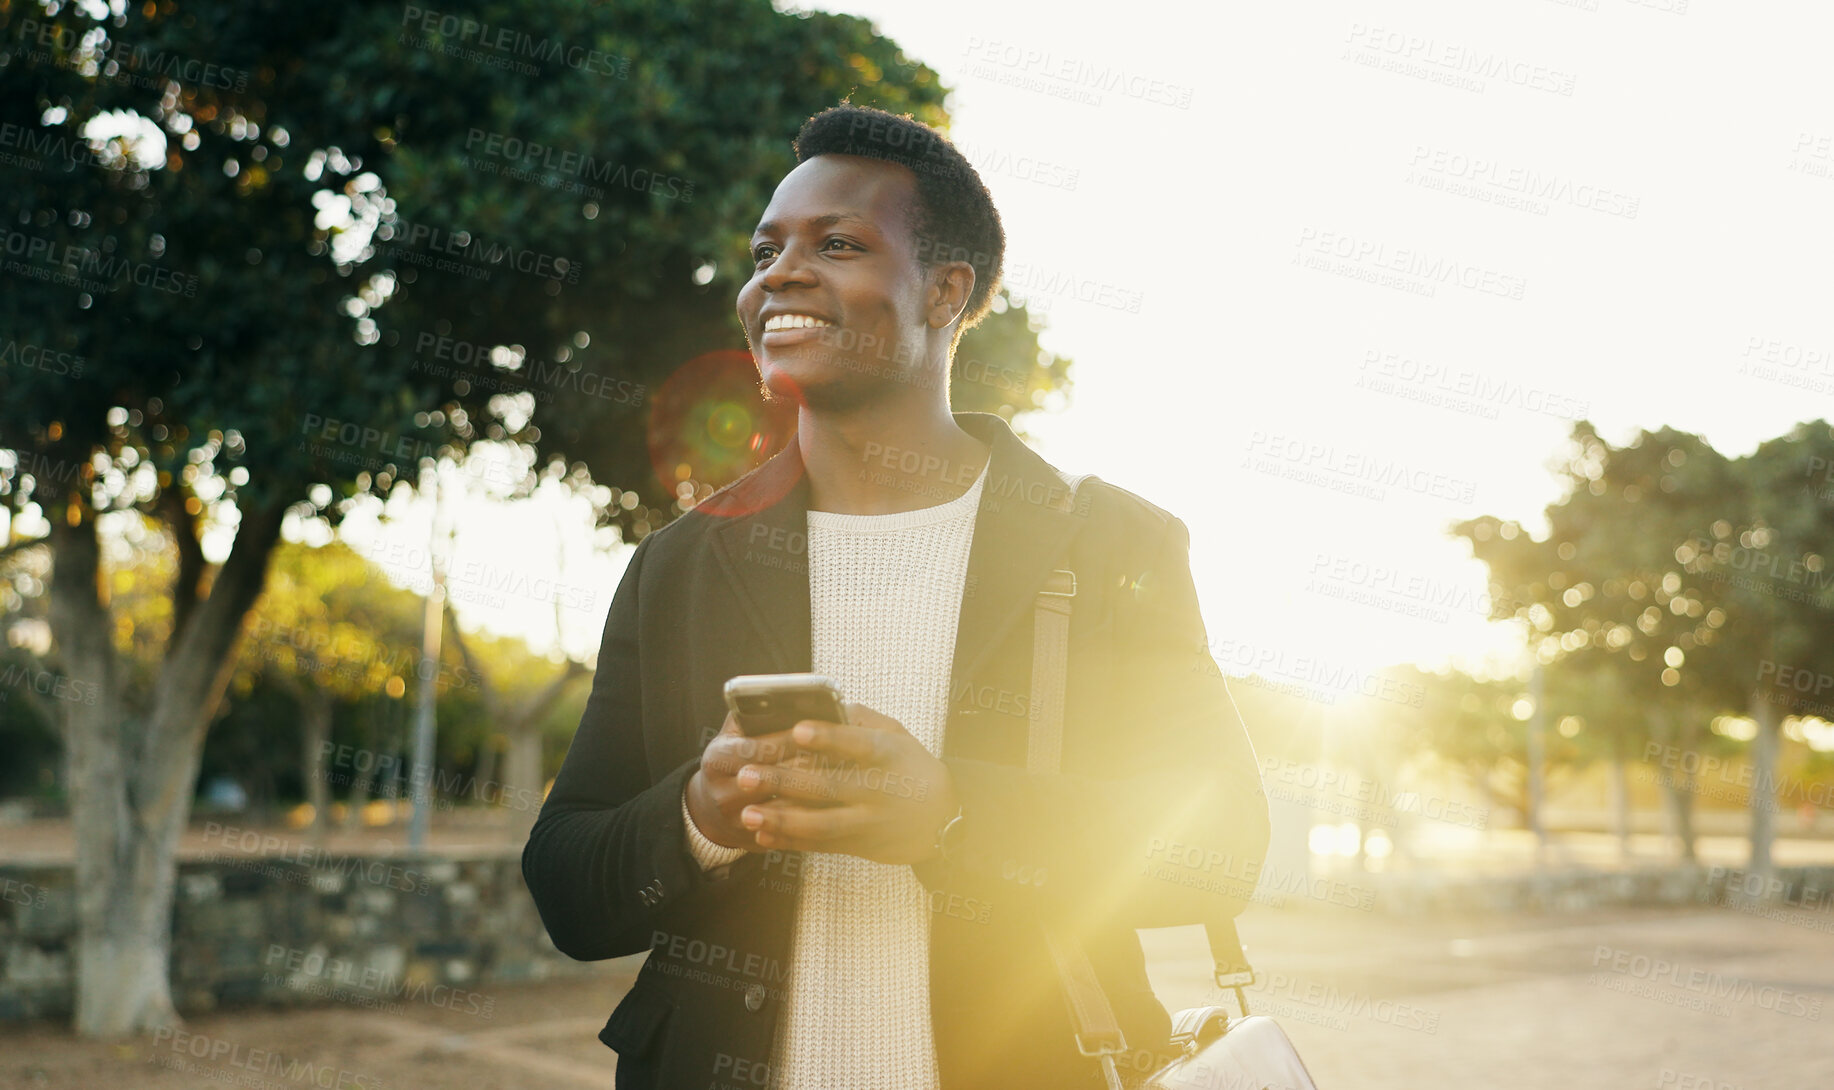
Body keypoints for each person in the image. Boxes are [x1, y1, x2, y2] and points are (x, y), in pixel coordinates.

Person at [522, 102, 1270, 1090]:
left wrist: (951, 815)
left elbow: (1219, 843)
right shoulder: (683, 562)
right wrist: (700, 811)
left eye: (836, 243)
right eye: (764, 250)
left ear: (945, 291)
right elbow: (571, 887)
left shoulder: (1109, 542)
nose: (778, 274)